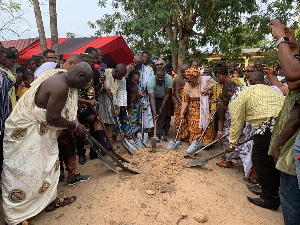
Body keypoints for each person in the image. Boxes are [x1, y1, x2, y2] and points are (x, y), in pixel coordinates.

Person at [2, 62, 93, 224]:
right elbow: (52, 118)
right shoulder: (60, 86)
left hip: (40, 131)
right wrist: (76, 126)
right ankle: (17, 214)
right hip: (28, 132)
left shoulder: (62, 77)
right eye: (84, 83)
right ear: (79, 76)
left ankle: (50, 202)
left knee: (47, 165)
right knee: (26, 170)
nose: (82, 87)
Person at [226, 71, 284, 211]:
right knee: (271, 161)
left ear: (231, 91)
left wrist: (232, 144)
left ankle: (270, 199)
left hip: (267, 128)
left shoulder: (238, 96)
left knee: (261, 161)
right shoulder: (269, 89)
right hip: (285, 125)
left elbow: (236, 123)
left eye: (225, 95)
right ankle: (267, 191)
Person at [268, 19, 300, 224]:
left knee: (290, 196)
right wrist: (293, 46)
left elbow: (292, 74)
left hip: (292, 145)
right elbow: (293, 80)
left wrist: (281, 39)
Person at [180, 68, 216, 144]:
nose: (191, 83)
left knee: (207, 125)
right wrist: (182, 112)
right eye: (189, 81)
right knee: (195, 127)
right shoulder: (187, 86)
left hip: (206, 109)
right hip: (193, 110)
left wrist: (208, 92)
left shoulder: (207, 80)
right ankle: (194, 143)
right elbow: (185, 100)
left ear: (197, 78)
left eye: (192, 81)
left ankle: (206, 144)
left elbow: (215, 90)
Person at [0, 42, 13, 195]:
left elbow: (8, 98)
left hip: (4, 126)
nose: (4, 55)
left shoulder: (4, 75)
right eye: (1, 52)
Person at [148, 67, 172, 141]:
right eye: (159, 77)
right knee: (154, 116)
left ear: (165, 75)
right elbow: (152, 98)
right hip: (154, 98)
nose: (160, 79)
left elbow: (167, 94)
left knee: (162, 116)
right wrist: (154, 113)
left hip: (163, 98)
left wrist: (162, 107)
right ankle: (154, 134)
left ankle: (160, 134)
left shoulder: (169, 79)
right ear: (155, 75)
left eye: (162, 77)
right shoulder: (151, 81)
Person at [173, 64, 189, 141]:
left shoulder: (188, 76)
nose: (185, 74)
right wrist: (182, 104)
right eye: (184, 73)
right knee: (180, 117)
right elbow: (176, 92)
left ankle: (185, 135)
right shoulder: (177, 79)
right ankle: (180, 136)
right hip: (179, 100)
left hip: (186, 99)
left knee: (187, 117)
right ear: (181, 72)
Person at [126, 70, 141, 136]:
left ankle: (131, 135)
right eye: (134, 80)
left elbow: (131, 102)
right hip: (124, 103)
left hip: (132, 105)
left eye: (137, 81)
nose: (135, 82)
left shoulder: (135, 87)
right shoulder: (125, 84)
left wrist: (129, 112)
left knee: (132, 118)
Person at [164, 63, 176, 137]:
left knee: (168, 116)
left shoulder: (175, 76)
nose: (168, 73)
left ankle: (166, 132)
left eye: (170, 71)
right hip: (163, 97)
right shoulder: (162, 76)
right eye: (167, 71)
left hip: (171, 99)